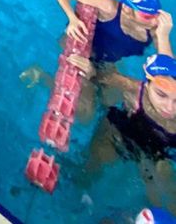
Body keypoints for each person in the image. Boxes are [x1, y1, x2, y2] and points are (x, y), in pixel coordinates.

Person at [69, 52, 176, 207]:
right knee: (89, 170)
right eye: (161, 95)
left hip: (157, 151)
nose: (169, 107)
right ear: (147, 85)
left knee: (165, 195)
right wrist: (91, 70)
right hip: (121, 133)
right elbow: (102, 77)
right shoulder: (135, 90)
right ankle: (76, 201)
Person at [50, 0, 173, 64]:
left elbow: (170, 74)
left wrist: (164, 36)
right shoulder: (109, 8)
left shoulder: (155, 30)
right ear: (127, 8)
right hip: (75, 49)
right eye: (147, 17)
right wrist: (72, 18)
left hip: (105, 64)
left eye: (157, 14)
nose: (155, 21)